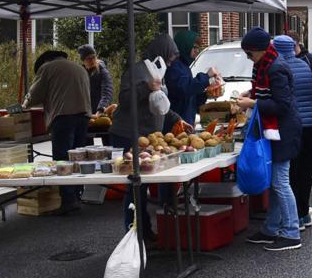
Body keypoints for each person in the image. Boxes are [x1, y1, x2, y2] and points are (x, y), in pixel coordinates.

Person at [109, 34, 189, 235]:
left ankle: (148, 229)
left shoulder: (159, 72)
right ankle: (134, 231)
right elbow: (125, 99)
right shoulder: (136, 71)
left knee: (143, 183)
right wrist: (146, 87)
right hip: (128, 134)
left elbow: (162, 106)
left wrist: (178, 119)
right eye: (170, 57)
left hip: (148, 135)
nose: (171, 62)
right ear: (160, 53)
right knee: (135, 186)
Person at [239, 27, 302, 251]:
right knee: (276, 184)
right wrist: (251, 94)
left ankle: (292, 232)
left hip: (284, 131)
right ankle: (271, 228)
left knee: (280, 183)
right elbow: (269, 94)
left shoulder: (275, 68)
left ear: (260, 50)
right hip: (275, 131)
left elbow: (283, 105)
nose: (249, 58)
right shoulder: (265, 64)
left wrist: (253, 103)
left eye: (249, 54)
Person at [23, 50, 91, 215]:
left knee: (62, 160)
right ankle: (76, 195)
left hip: (62, 117)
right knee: (77, 158)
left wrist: (24, 104)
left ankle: (68, 200)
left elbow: (35, 94)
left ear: (45, 62)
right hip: (84, 116)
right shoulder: (79, 68)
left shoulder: (47, 68)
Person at [273, 35, 312, 230]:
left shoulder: (280, 68)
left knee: (292, 172)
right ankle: (303, 212)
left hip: (294, 124)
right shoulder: (304, 65)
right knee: (306, 171)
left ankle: (294, 219)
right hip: (311, 123)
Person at [164, 30, 216, 127]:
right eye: (194, 47)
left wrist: (206, 94)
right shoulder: (174, 66)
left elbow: (190, 98)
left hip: (186, 122)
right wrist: (206, 76)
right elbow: (184, 88)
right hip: (176, 124)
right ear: (185, 46)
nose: (197, 50)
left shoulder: (185, 66)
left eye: (198, 48)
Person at [78, 44, 113, 115]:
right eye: (88, 58)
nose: (92, 60)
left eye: (94, 57)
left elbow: (107, 92)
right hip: (85, 113)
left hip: (100, 112)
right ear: (83, 61)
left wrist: (101, 109)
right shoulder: (81, 72)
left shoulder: (103, 72)